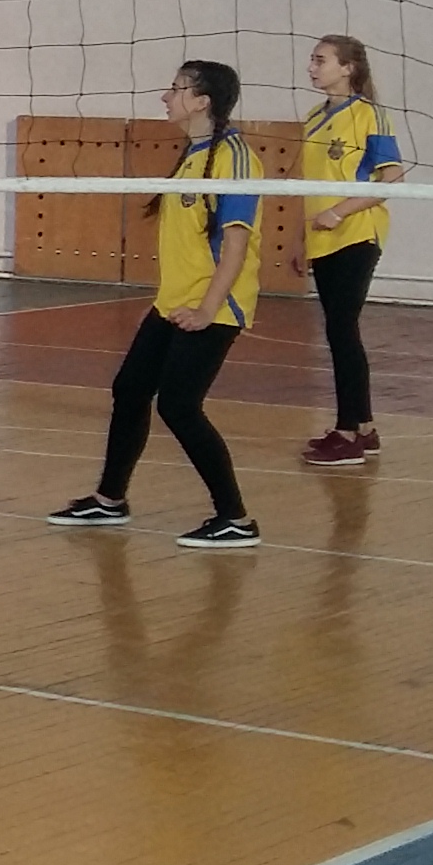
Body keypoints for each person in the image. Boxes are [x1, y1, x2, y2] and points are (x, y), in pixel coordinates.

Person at [52, 60, 265, 547]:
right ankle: (110, 500)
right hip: (174, 303)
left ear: (202, 101)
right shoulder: (195, 154)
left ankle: (235, 518)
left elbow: (235, 247)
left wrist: (208, 309)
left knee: (179, 405)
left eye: (176, 89)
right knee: (130, 389)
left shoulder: (233, 157)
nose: (166, 97)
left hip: (214, 306)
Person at [296, 35, 408, 469]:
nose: (312, 67)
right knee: (339, 330)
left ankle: (347, 434)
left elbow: (392, 179)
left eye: (320, 60)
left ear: (348, 68)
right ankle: (364, 428)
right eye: (312, 60)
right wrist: (303, 239)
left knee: (342, 330)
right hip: (323, 237)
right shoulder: (313, 117)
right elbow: (311, 189)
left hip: (357, 234)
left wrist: (340, 212)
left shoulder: (369, 114)